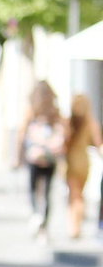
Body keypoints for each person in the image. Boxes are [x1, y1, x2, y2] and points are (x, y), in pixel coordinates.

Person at [18, 81, 64, 241]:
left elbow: (22, 133)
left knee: (33, 189)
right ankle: (43, 226)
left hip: (34, 156)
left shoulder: (32, 111)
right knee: (47, 192)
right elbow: (65, 131)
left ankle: (36, 215)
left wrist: (18, 155)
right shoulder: (55, 112)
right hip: (50, 157)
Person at [64, 93, 101, 241]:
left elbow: (64, 143)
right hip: (84, 161)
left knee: (75, 195)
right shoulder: (91, 122)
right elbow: (98, 144)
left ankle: (75, 227)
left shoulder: (69, 122)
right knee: (80, 194)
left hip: (72, 160)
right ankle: (77, 225)